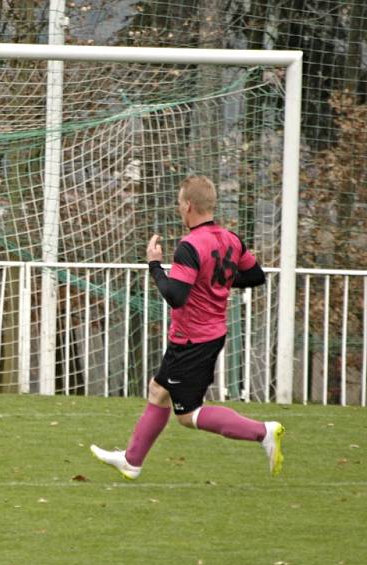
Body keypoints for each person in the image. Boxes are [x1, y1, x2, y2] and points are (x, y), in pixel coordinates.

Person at [90, 175, 284, 479]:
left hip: (193, 340)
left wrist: (154, 265)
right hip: (206, 334)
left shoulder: (190, 246)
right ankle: (132, 461)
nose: (180, 209)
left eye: (180, 204)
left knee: (188, 414)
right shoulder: (231, 239)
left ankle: (263, 432)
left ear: (189, 205)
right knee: (159, 391)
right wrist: (215, 282)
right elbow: (255, 275)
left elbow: (176, 297)